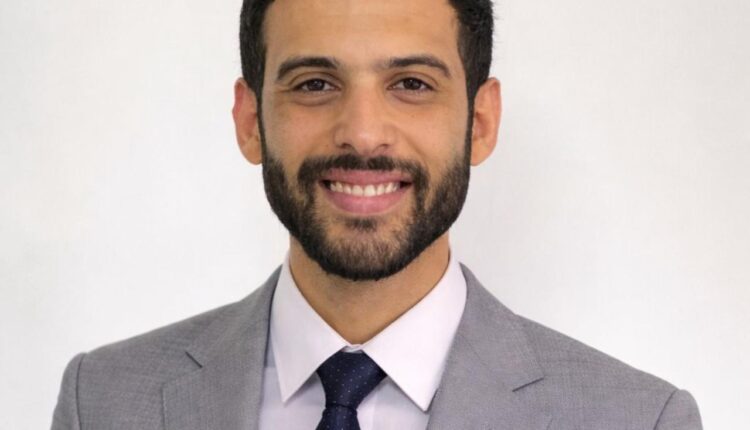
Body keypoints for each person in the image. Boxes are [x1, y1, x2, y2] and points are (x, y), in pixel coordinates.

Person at [51, 0, 703, 428]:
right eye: (315, 84)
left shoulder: (639, 420)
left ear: (480, 122)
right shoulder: (101, 402)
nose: (363, 134)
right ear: (250, 121)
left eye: (411, 84)